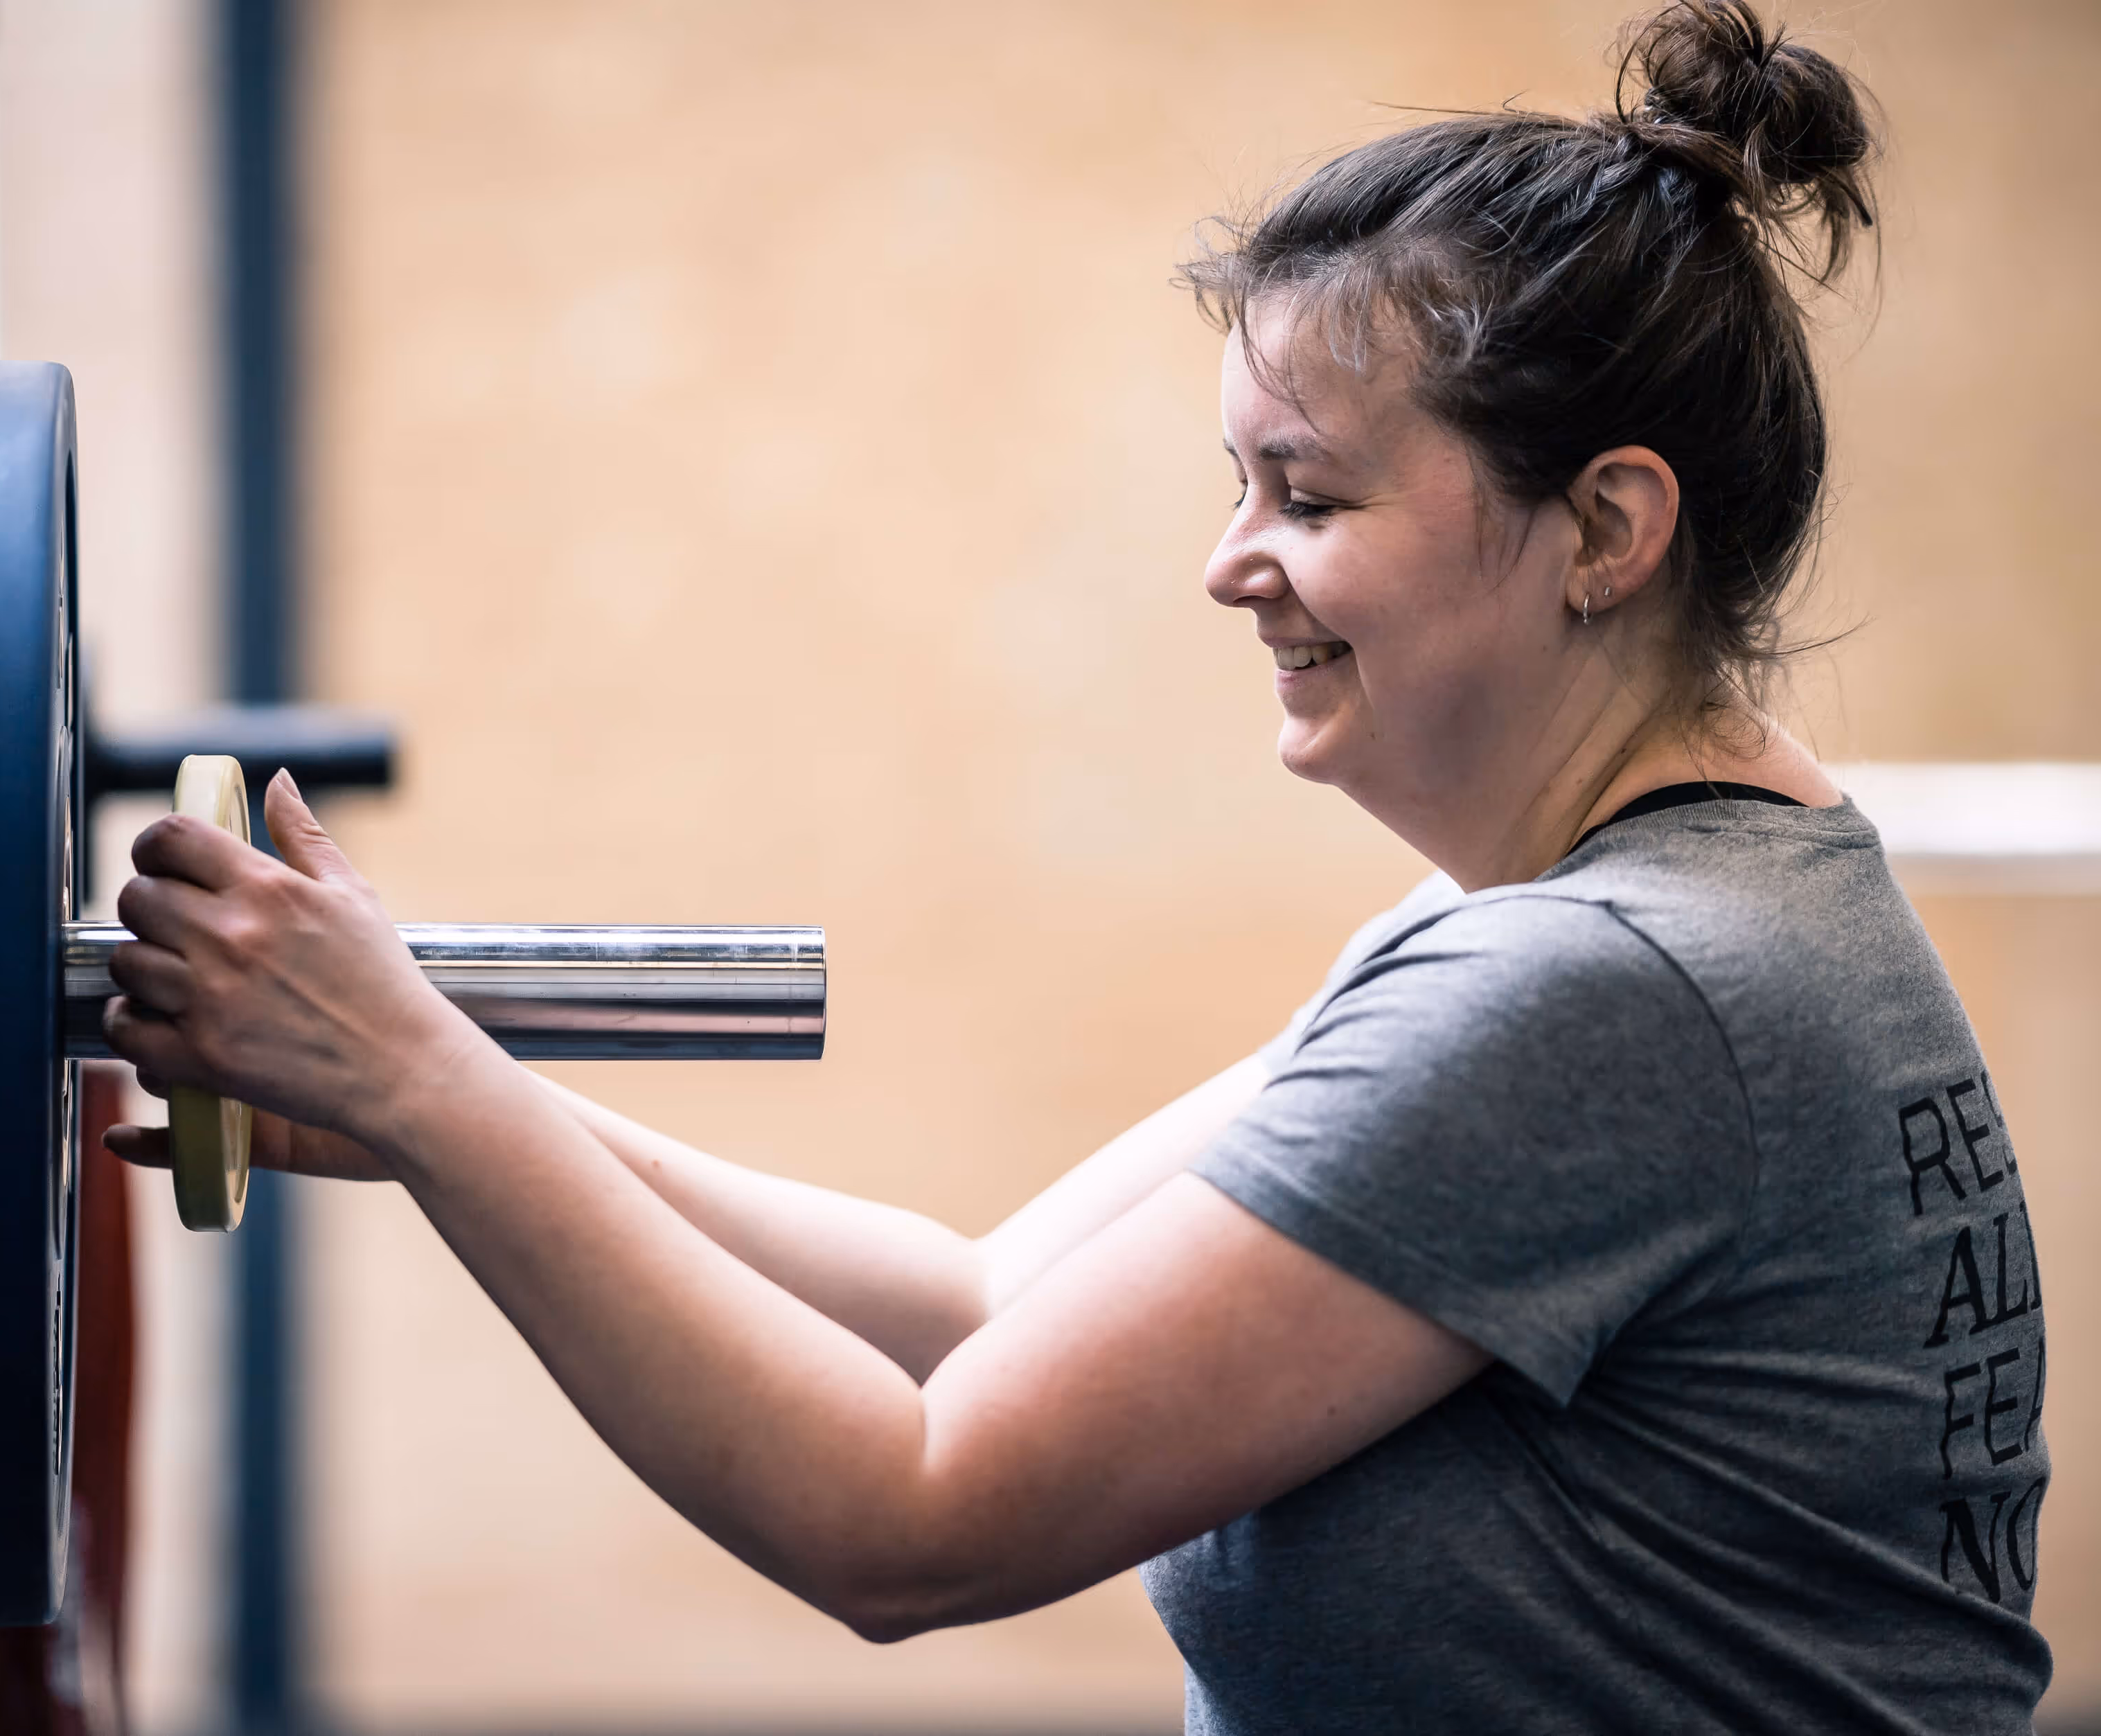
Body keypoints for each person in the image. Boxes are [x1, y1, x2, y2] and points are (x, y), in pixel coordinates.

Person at [102, 1, 2050, 1728]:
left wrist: (426, 1089)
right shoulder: (1657, 922)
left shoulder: (1607, 997)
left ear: (1606, 527)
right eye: (1236, 486)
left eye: (1309, 491)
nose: (1229, 562)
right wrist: (421, 1099)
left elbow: (909, 1518)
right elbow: (983, 1305)